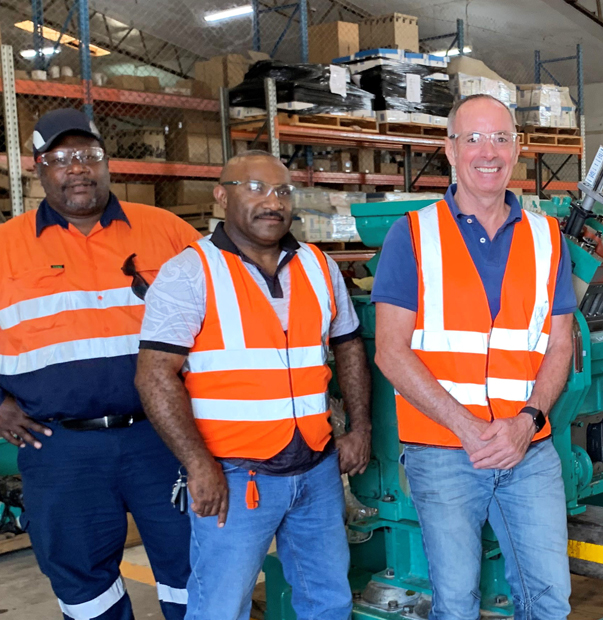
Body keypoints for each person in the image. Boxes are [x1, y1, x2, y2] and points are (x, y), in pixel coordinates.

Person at [0, 108, 199, 619]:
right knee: (82, 581)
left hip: (162, 439)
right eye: (61, 158)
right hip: (59, 448)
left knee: (194, 565)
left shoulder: (167, 233)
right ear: (38, 168)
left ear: (105, 162)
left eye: (88, 155)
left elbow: (223, 316)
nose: (77, 168)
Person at [135, 151, 372, 620]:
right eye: (256, 188)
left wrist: (359, 427)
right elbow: (154, 374)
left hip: (316, 470)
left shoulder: (318, 266)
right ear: (222, 195)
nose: (273, 202)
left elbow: (348, 346)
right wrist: (198, 464)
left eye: (283, 192)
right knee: (221, 608)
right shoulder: (190, 272)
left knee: (328, 600)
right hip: (235, 478)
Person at [370, 94, 576, 620]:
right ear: (450, 150)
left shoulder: (547, 236)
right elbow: (391, 353)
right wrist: (467, 429)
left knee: (550, 598)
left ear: (518, 149)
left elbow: (560, 344)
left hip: (528, 448)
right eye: (474, 138)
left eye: (502, 138)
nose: (490, 151)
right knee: (457, 602)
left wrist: (525, 424)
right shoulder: (412, 235)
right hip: (444, 451)